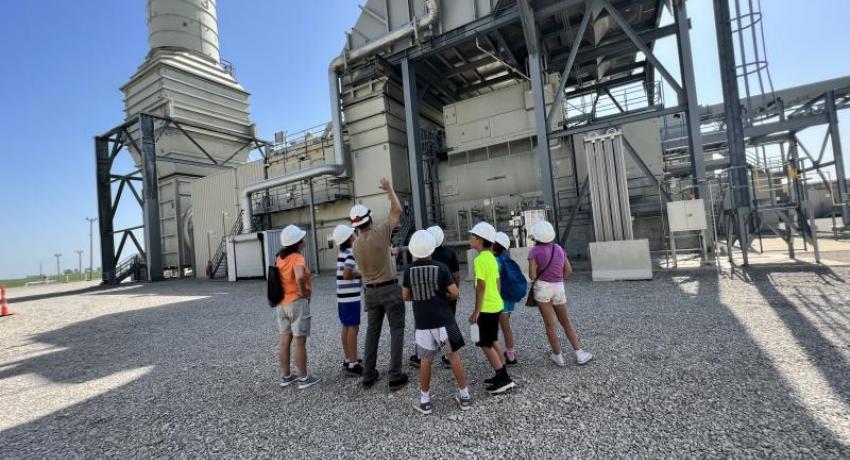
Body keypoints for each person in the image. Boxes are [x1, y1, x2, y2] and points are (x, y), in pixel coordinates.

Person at [402, 230, 472, 414]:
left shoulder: (409, 270)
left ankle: (425, 400)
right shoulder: (441, 267)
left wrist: (420, 298)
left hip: (423, 322)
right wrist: (443, 296)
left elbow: (405, 296)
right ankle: (464, 396)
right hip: (444, 319)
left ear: (413, 251)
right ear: (432, 248)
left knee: (425, 360)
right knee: (453, 356)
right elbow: (455, 292)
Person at [351, 178, 409, 390]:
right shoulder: (381, 232)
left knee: (372, 332)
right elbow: (397, 209)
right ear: (369, 219)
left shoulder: (355, 245)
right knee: (396, 329)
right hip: (389, 287)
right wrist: (390, 189)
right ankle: (395, 374)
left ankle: (368, 373)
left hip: (370, 292)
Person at [527, 220, 593, 367]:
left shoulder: (534, 251)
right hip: (558, 286)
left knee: (550, 325)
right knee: (566, 321)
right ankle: (580, 354)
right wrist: (557, 278)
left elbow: (532, 275)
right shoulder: (559, 249)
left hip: (543, 288)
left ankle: (558, 356)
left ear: (535, 237)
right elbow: (569, 270)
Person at [468, 222, 516, 394]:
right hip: (496, 305)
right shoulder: (491, 257)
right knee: (493, 339)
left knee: (485, 343)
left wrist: (476, 311)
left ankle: (503, 379)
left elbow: (480, 286)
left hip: (486, 308)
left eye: (473, 236)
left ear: (480, 240)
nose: (470, 238)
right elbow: (496, 283)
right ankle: (502, 373)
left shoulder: (480, 260)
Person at [408, 225, 461, 369]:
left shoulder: (420, 260)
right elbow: (456, 275)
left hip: (424, 300)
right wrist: (454, 292)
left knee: (424, 327)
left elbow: (408, 292)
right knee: (445, 326)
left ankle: (421, 356)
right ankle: (447, 355)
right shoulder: (450, 254)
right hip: (446, 297)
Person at [275, 224, 320, 390]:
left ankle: (286, 376)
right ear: (297, 242)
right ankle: (303, 378)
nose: (304, 239)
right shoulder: (297, 258)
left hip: (281, 304)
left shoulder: (279, 257)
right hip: (296, 303)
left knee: (284, 342)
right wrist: (304, 292)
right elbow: (300, 276)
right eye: (301, 237)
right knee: (300, 342)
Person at [332, 224, 363, 376]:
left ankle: (348, 358)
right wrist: (361, 273)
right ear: (350, 238)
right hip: (351, 297)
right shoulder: (351, 253)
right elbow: (347, 275)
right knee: (353, 328)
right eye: (354, 234)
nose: (356, 236)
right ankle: (353, 363)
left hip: (342, 298)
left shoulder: (342, 253)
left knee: (346, 327)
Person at [493, 231, 518, 365]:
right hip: (509, 297)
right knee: (506, 326)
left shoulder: (495, 261)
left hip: (500, 298)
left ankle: (508, 356)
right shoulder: (507, 259)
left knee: (503, 327)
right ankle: (509, 353)